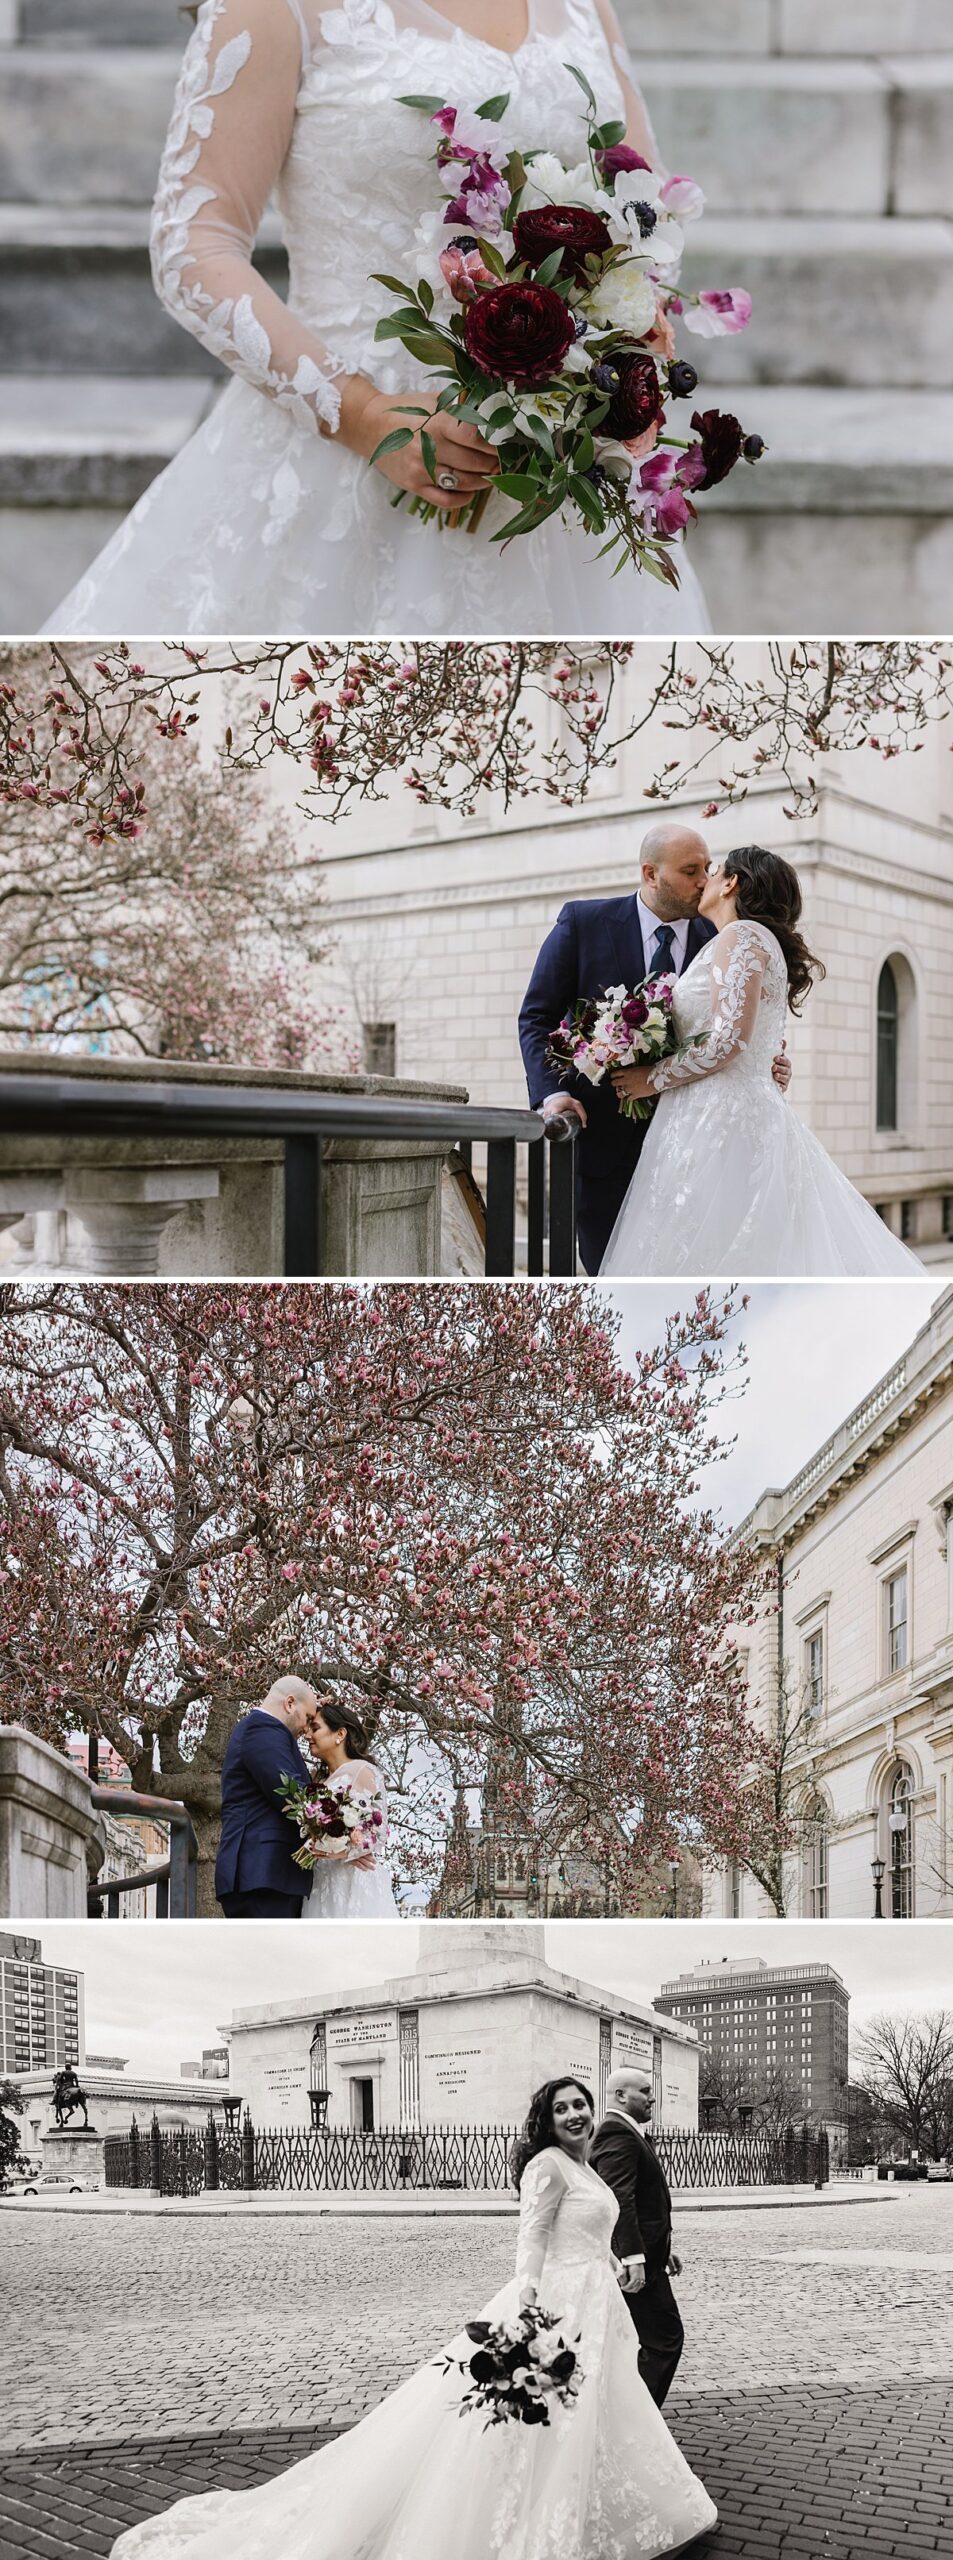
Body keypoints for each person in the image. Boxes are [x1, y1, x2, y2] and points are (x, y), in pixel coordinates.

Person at [44, 0, 709, 640]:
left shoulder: (584, 6)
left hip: (554, 466)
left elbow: (641, 202)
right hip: (347, 447)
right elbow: (195, 245)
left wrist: (624, 330)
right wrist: (360, 414)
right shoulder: (277, 6)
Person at [107, 2075, 717, 2560]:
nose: (575, 2115)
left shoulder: (585, 2168)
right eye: (562, 2109)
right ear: (547, 2120)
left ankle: (595, 2503)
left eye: (580, 2104)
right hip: (554, 2305)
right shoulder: (548, 2166)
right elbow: (531, 2238)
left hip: (596, 2300)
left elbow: (590, 2231)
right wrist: (529, 2303)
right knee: (535, 2415)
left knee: (594, 2406)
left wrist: (618, 2261)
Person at [599, 846, 922, 1277]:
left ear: (732, 882)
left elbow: (729, 1040)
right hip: (715, 1107)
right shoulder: (740, 939)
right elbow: (750, 1038)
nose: (705, 880)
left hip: (719, 1118)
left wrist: (649, 1078)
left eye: (713, 871)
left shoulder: (742, 936)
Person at [518, 820, 791, 1274]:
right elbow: (537, 1016)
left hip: (697, 1148)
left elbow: (739, 1027)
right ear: (651, 874)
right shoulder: (584, 923)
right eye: (690, 870)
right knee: (612, 1275)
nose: (704, 879)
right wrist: (553, 1094)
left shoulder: (723, 936)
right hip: (603, 1144)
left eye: (708, 867)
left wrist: (770, 1062)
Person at [588, 2064, 684, 2408]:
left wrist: (661, 2249)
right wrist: (633, 2257)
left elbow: (642, 2203)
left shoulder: (626, 2132)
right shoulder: (616, 2133)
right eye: (644, 2091)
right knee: (664, 2339)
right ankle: (635, 2423)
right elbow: (619, 2199)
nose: (652, 2098)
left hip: (647, 2258)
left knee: (644, 2339)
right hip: (635, 2266)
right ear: (620, 2095)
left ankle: (628, 2419)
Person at [214, 1674, 318, 1916]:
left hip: (266, 1874)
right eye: (308, 1717)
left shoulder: (264, 1731)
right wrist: (334, 1820)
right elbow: (292, 1795)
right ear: (290, 1703)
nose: (307, 1727)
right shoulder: (262, 1730)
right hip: (262, 1873)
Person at [301, 1697, 400, 1918]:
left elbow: (377, 1831)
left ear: (340, 1734)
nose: (308, 1736)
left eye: (315, 1728)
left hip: (352, 1878)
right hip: (320, 1880)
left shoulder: (362, 1771)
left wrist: (343, 1851)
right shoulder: (316, 1779)